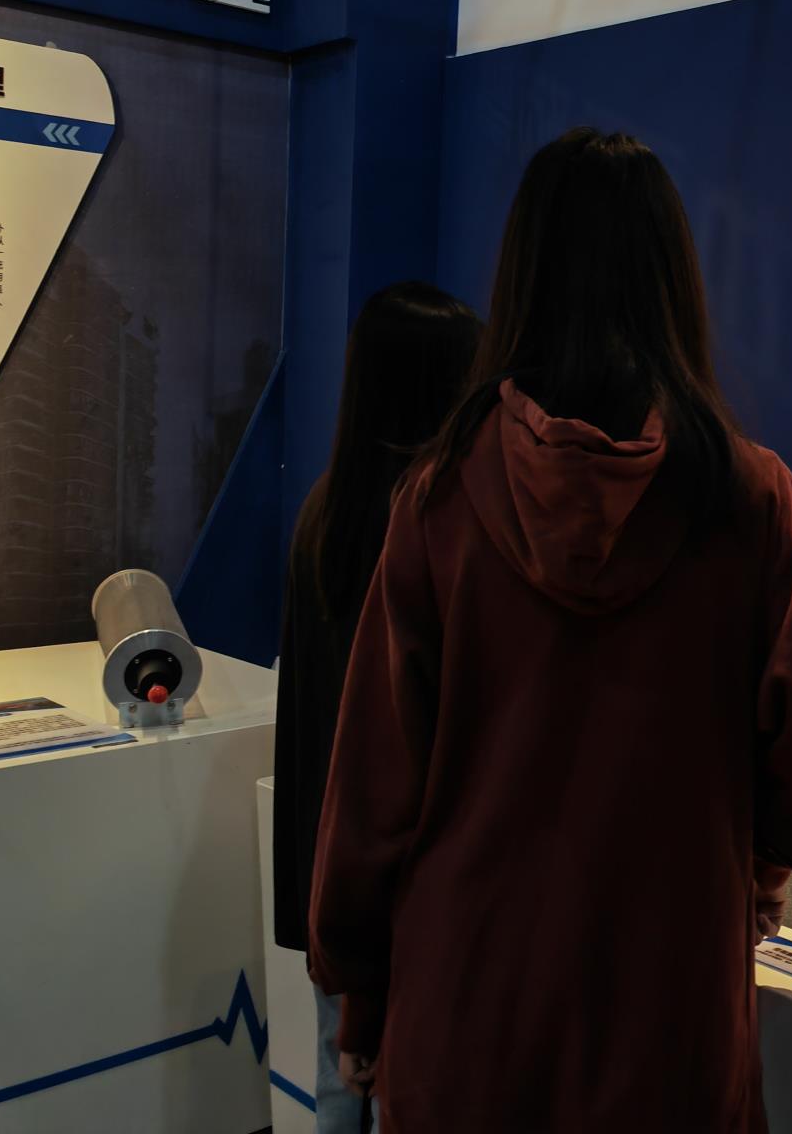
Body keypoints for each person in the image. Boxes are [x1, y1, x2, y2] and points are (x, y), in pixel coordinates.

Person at [309, 128, 792, 1132]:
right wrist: (756, 870)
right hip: (670, 1035)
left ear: (520, 277)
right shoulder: (755, 504)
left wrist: (360, 995)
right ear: (675, 281)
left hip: (462, 1025)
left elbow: (372, 793)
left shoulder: (436, 500)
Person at [274, 281, 480, 1134]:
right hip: (420, 878)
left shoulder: (326, 512)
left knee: (338, 1084)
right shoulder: (442, 524)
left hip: (335, 873)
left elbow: (307, 724)